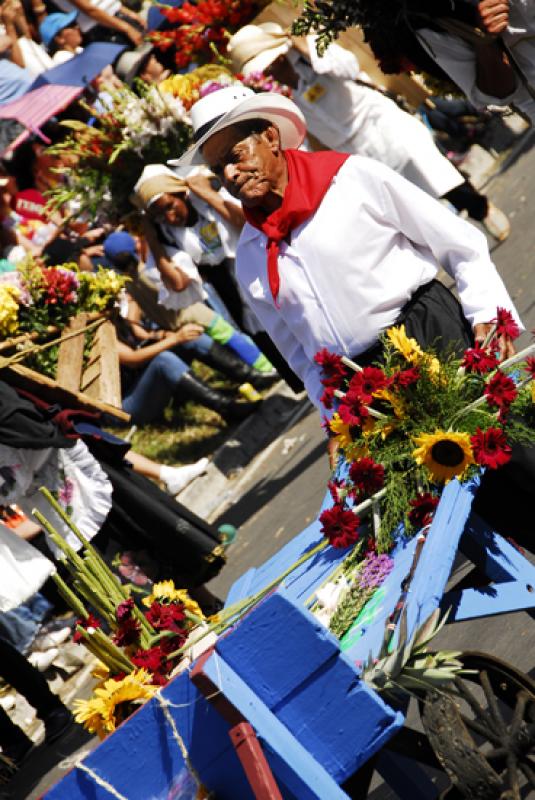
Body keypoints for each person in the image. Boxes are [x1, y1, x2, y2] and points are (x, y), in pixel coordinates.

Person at [171, 86, 534, 541]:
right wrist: (337, 418)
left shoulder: (350, 178)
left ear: (270, 135)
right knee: (470, 496)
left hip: (430, 335)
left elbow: (457, 242)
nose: (230, 172)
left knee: (515, 451)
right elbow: (301, 355)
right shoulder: (249, 253)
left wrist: (485, 312)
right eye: (218, 166)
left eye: (236, 153)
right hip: (368, 385)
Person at [227, 22, 510, 241]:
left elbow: (349, 67)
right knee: (402, 202)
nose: (272, 67)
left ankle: (480, 208)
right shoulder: (272, 95)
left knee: (432, 170)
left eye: (271, 60)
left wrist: (308, 53)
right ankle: (452, 239)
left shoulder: (311, 48)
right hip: (352, 150)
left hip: (379, 122)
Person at [102, 230, 279, 389]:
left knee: (220, 349)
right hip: (193, 312)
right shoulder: (151, 272)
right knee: (231, 337)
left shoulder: (129, 284)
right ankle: (266, 367)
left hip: (174, 325)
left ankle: (250, 373)